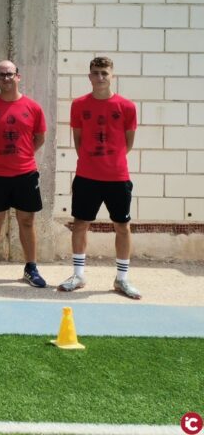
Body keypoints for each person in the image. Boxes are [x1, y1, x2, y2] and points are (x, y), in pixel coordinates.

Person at [59, 56, 141, 300]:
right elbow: (78, 139)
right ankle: (78, 274)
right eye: (95, 73)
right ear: (89, 76)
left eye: (104, 73)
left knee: (122, 227)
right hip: (87, 176)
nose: (100, 77)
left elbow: (128, 143)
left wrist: (110, 161)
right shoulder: (79, 104)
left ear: (112, 75)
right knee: (81, 224)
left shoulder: (126, 106)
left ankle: (122, 278)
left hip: (117, 177)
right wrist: (92, 161)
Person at [0, 60, 47, 288]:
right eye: (1, 75)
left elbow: (39, 138)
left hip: (25, 174)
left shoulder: (33, 107)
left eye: (10, 74)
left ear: (18, 76)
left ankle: (31, 267)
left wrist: (22, 155)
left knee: (26, 221)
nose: (6, 78)